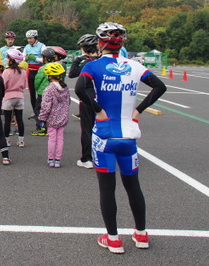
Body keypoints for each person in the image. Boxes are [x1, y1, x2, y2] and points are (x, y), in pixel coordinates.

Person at [75, 22, 166, 254]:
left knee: (107, 189)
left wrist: (98, 110)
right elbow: (159, 86)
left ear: (99, 42)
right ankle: (142, 234)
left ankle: (113, 239)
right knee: (133, 186)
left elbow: (79, 89)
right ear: (122, 42)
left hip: (104, 135)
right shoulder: (134, 65)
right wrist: (138, 112)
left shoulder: (94, 66)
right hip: (129, 136)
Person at [68, 34, 101, 168]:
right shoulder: (102, 60)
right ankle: (101, 155)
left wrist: (78, 60)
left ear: (85, 48)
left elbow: (72, 74)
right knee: (100, 128)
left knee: (87, 129)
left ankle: (86, 158)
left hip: (88, 98)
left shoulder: (87, 63)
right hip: (102, 98)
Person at [38, 63, 70, 168]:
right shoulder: (65, 88)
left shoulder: (49, 89)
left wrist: (42, 118)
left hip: (52, 118)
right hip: (63, 117)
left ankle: (51, 159)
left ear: (50, 76)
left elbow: (46, 106)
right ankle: (58, 160)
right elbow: (68, 101)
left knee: (52, 138)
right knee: (60, 138)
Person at [32, 46, 67, 136]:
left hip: (42, 92)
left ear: (45, 58)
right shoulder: (57, 66)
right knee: (51, 110)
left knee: (39, 110)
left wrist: (36, 88)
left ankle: (41, 127)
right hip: (54, 91)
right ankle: (49, 126)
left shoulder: (42, 68)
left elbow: (37, 81)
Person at [2, 49, 27, 147]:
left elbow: (3, 85)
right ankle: (21, 140)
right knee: (19, 119)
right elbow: (24, 85)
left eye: (8, 58)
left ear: (11, 60)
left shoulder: (7, 71)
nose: (6, 60)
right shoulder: (23, 71)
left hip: (8, 96)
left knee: (7, 120)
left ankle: (7, 140)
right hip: (19, 96)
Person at [24, 29, 47, 119]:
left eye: (31, 38)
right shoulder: (27, 47)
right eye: (28, 38)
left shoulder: (42, 46)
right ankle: (35, 111)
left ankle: (42, 111)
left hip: (39, 70)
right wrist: (26, 58)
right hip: (30, 71)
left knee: (41, 92)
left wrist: (35, 58)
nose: (29, 40)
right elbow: (23, 58)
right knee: (32, 93)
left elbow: (44, 59)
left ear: (35, 38)